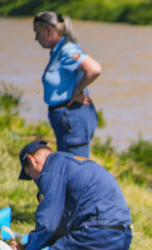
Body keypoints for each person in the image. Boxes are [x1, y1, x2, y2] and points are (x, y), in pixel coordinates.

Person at [11, 140, 138, 250]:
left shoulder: (51, 169)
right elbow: (60, 227)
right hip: (122, 236)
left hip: (99, 233)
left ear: (31, 160)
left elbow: (49, 223)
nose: (34, 181)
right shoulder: (70, 163)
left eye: (31, 176)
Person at [33, 11, 102, 157]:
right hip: (67, 117)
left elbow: (94, 69)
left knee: (75, 166)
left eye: (38, 33)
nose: (36, 38)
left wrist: (78, 91)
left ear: (49, 30)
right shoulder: (59, 51)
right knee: (69, 164)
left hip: (72, 116)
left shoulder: (67, 50)